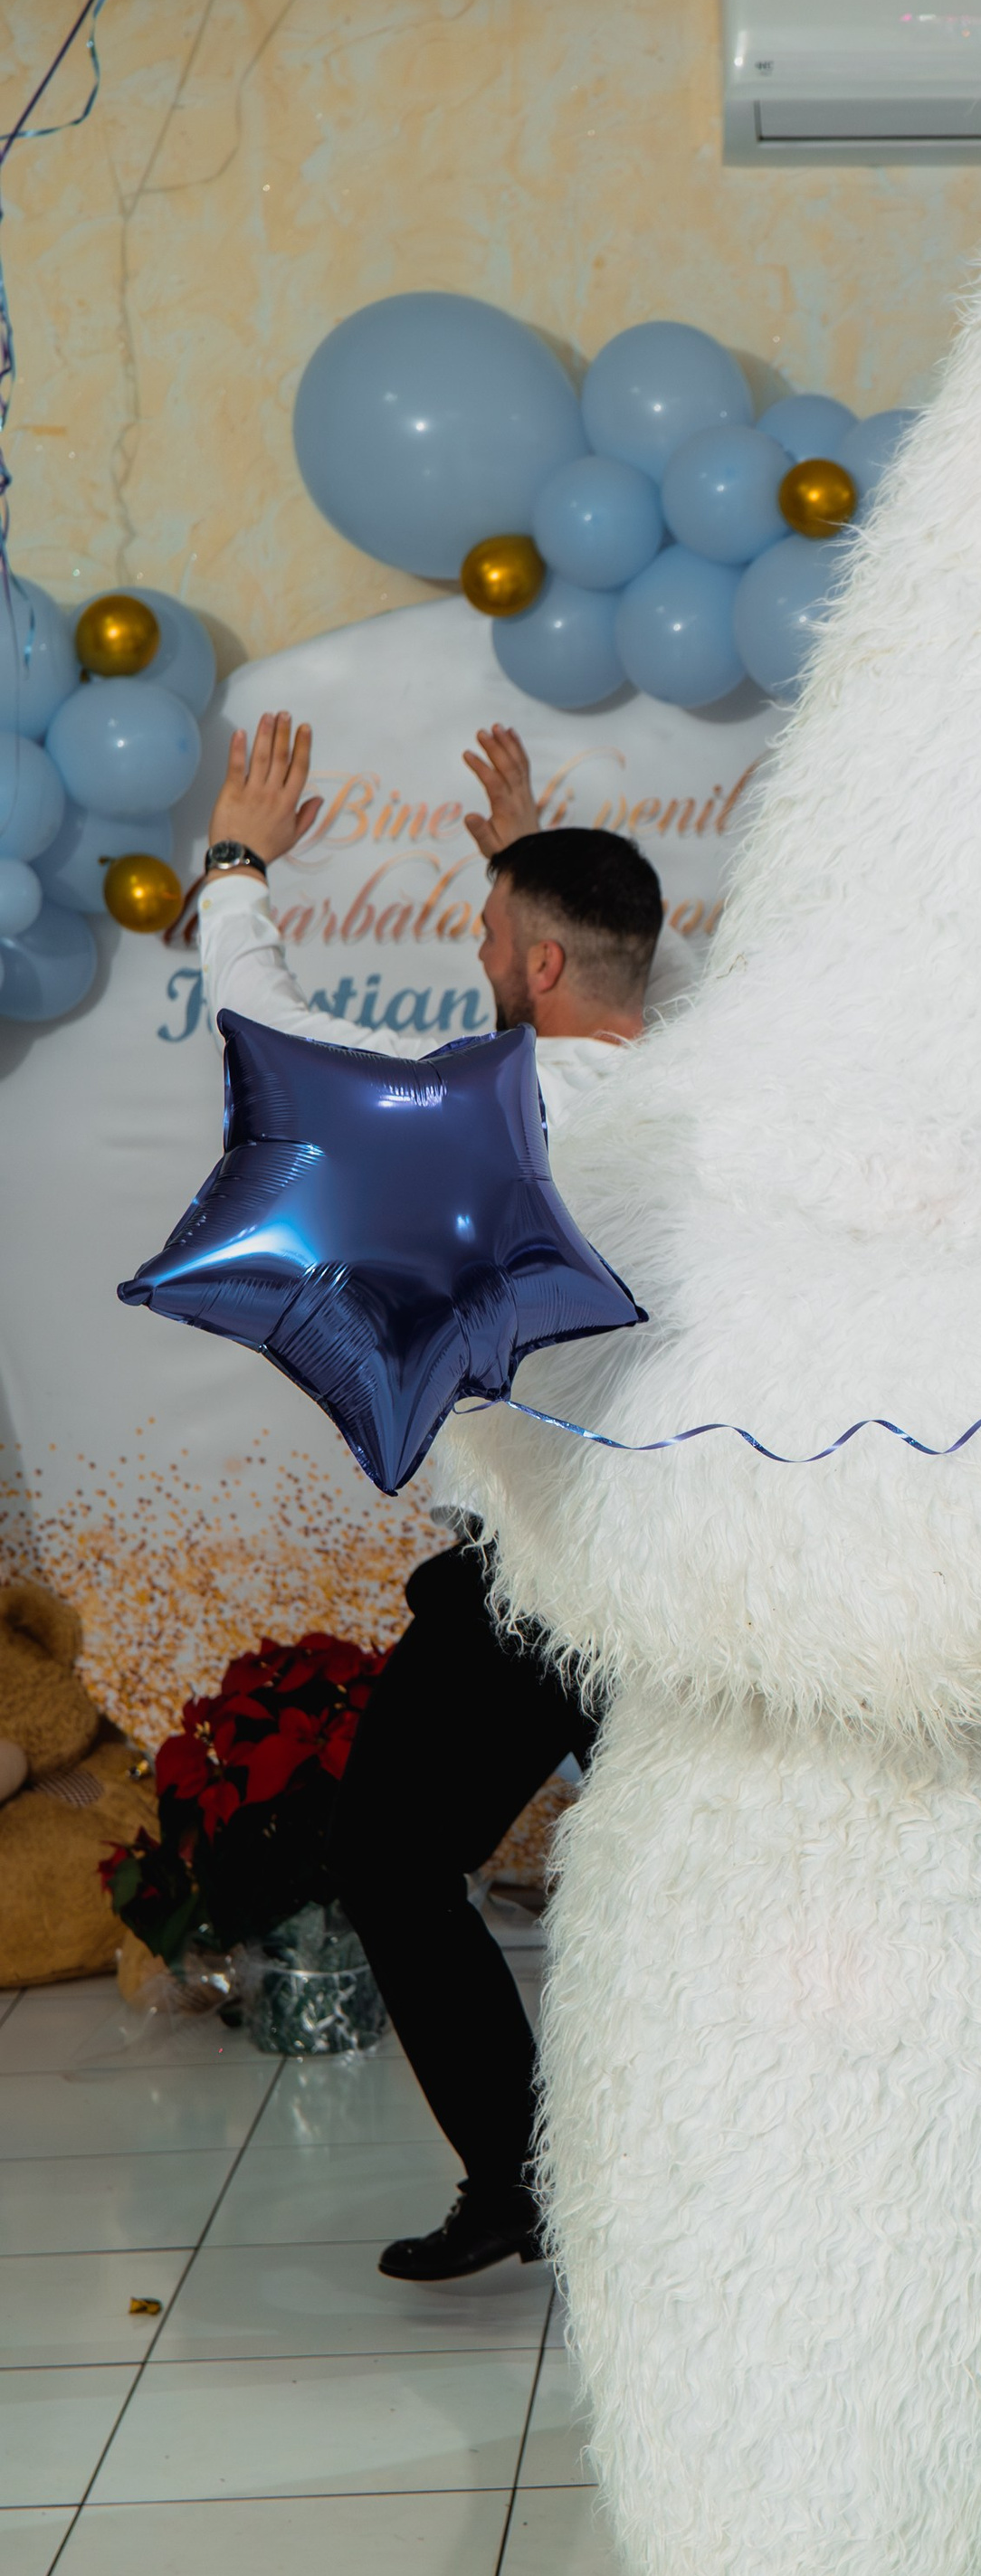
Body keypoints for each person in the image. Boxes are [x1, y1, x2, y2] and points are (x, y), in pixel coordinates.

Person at [188, 712, 664, 2279]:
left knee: (393, 1857)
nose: (472, 949)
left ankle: (522, 2184)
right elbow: (589, 979)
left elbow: (268, 1024)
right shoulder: (717, 1091)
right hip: (701, 1572)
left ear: (529, 970)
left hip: (542, 1572)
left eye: (483, 934)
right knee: (698, 1880)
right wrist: (515, 868)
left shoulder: (483, 1100)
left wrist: (242, 861)